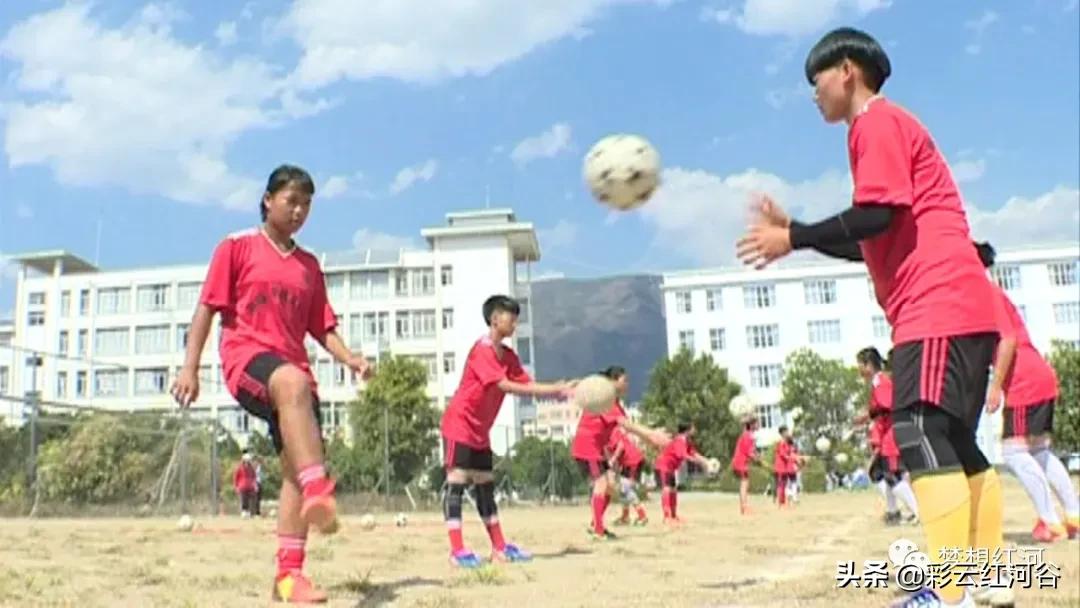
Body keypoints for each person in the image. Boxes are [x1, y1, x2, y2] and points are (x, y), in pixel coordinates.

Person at [737, 27, 1006, 607]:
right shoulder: (887, 129)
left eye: (816, 80)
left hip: (936, 304)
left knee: (918, 430)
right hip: (960, 304)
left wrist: (794, 237)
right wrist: (798, 235)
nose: (813, 94)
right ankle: (988, 582)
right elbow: (871, 236)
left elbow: (875, 215)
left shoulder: (875, 123)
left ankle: (950, 592)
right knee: (954, 440)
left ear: (847, 71)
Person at [171, 164, 371, 604]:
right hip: (248, 359)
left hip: (295, 376)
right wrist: (190, 368)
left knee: (295, 467)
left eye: (307, 205)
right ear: (268, 200)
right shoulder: (236, 246)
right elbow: (206, 309)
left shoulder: (309, 266)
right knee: (294, 391)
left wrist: (350, 358)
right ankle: (319, 487)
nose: (299, 211)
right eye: (291, 201)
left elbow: (323, 327)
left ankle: (289, 577)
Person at [440, 295, 571, 568]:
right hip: (459, 424)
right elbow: (505, 385)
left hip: (480, 431)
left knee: (485, 485)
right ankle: (456, 551)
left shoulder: (509, 356)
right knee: (457, 482)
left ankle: (499, 548)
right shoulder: (482, 350)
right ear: (495, 319)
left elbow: (527, 385)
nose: (515, 324)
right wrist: (553, 389)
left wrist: (560, 391)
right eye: (511, 318)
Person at [977, 242, 1079, 542]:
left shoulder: (986, 293)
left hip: (1025, 380)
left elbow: (1007, 339)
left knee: (1013, 453)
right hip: (1037, 375)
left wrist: (996, 386)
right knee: (1038, 452)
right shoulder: (987, 293)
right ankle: (1073, 516)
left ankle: (1050, 522)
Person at [570, 366, 669, 540]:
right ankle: (598, 531)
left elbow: (626, 426)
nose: (627, 384)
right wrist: (651, 435)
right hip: (587, 448)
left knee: (609, 488)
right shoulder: (605, 400)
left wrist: (650, 437)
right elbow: (626, 425)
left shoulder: (611, 402)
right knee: (602, 484)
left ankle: (596, 525)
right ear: (613, 381)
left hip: (595, 449)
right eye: (624, 380)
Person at [854, 347, 919, 525]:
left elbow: (887, 404)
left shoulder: (880, 381)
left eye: (860, 365)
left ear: (868, 365)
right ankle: (893, 512)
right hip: (889, 433)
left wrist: (867, 415)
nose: (859, 369)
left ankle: (918, 511)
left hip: (892, 433)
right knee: (883, 474)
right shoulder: (880, 381)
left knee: (891, 474)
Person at [653, 422, 713, 524]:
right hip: (663, 466)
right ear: (687, 430)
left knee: (673, 491)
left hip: (671, 468)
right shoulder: (679, 440)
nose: (694, 430)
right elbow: (682, 455)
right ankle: (667, 517)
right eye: (693, 428)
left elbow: (694, 453)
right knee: (666, 490)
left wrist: (706, 461)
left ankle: (673, 516)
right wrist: (697, 462)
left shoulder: (687, 441)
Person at [608, 427, 648, 526]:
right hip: (629, 462)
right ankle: (625, 517)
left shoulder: (612, 432)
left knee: (626, 489)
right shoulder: (612, 432)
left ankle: (642, 516)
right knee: (623, 490)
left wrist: (613, 459)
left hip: (632, 461)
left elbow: (621, 445)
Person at [731, 416, 761, 515]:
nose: (759, 425)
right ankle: (744, 507)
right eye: (757, 423)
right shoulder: (748, 435)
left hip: (742, 462)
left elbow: (752, 451)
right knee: (744, 484)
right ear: (752, 425)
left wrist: (757, 457)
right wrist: (756, 459)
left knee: (745, 483)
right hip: (740, 462)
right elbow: (749, 452)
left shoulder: (749, 435)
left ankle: (744, 507)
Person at [234, 451, 258, 518]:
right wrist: (236, 486)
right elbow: (236, 478)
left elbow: (254, 477)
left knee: (252, 500)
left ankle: (250, 512)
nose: (247, 462)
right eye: (246, 460)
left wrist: (255, 485)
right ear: (243, 460)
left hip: (251, 487)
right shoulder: (239, 468)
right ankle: (244, 512)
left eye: (248, 460)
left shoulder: (251, 469)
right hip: (242, 487)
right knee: (244, 500)